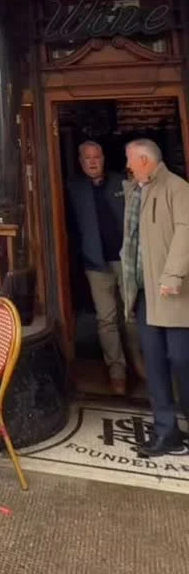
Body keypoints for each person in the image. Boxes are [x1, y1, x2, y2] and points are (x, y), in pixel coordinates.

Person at [122, 139, 189, 457]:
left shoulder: (177, 188)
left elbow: (186, 232)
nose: (127, 166)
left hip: (172, 294)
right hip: (145, 293)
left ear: (145, 160)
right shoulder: (136, 190)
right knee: (155, 363)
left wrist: (172, 275)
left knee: (182, 359)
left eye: (130, 160)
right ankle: (166, 431)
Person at [68, 140, 141, 395]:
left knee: (131, 314)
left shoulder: (122, 183)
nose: (92, 162)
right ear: (80, 162)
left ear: (103, 159)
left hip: (125, 260)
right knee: (106, 319)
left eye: (96, 157)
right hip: (95, 263)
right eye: (87, 158)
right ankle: (116, 371)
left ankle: (138, 363)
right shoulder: (74, 189)